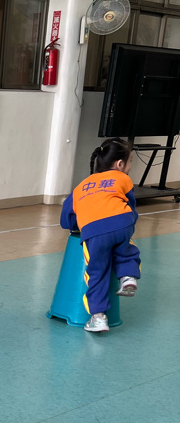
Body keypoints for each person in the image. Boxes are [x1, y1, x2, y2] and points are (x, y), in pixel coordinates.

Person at [60, 138, 140, 333]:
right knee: (127, 249)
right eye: (130, 161)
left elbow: (66, 217)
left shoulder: (81, 186)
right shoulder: (123, 179)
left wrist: (76, 228)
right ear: (119, 164)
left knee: (97, 271)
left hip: (94, 231)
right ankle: (128, 277)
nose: (130, 167)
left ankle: (98, 317)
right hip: (122, 222)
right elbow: (130, 205)